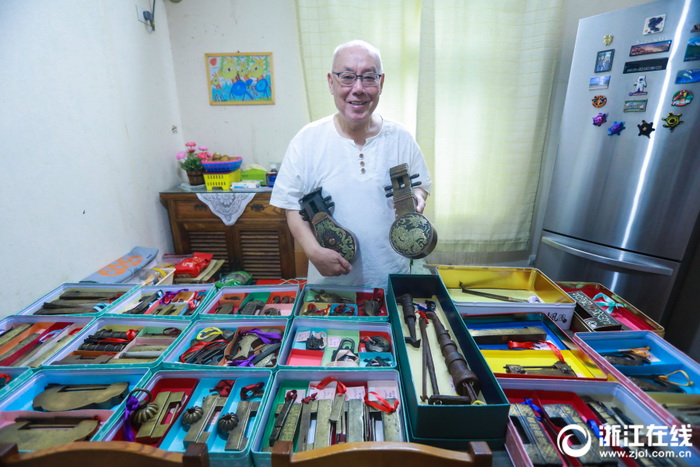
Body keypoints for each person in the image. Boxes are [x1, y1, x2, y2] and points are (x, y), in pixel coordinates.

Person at [270, 40, 432, 289]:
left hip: (391, 279)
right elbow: (291, 206)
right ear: (330, 82)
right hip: (330, 286)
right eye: (347, 77)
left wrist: (418, 199)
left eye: (368, 77)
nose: (358, 88)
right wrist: (313, 251)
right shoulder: (307, 140)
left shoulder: (401, 138)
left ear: (381, 83)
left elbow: (420, 186)